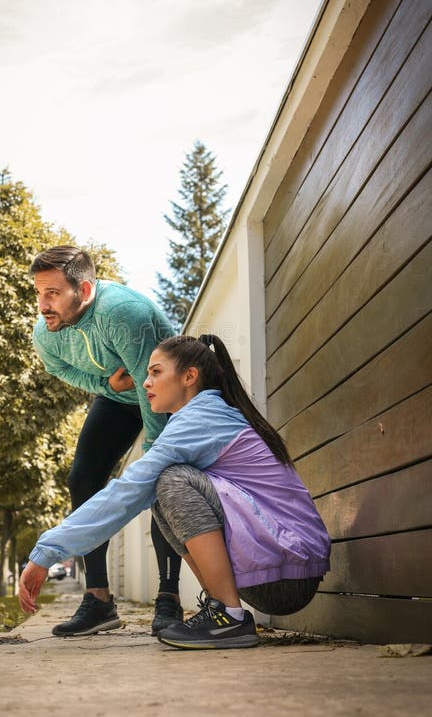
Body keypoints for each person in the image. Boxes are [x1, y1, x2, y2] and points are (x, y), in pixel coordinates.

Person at [19, 333, 331, 650]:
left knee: (169, 481)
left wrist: (47, 551)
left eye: (155, 372)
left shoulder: (201, 418)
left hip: (288, 569)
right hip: (281, 566)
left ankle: (229, 617)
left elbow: (125, 492)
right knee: (161, 488)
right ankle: (220, 608)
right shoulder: (201, 416)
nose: (145, 384)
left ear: (189, 377)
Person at [30, 245, 182, 636]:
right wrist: (104, 384)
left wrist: (156, 452)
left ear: (82, 290)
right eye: (38, 292)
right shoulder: (47, 331)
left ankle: (169, 599)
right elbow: (59, 368)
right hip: (119, 396)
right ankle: (98, 600)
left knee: (165, 480)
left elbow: (152, 388)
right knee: (82, 480)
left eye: (52, 293)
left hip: (166, 392)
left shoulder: (122, 314)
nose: (43, 304)